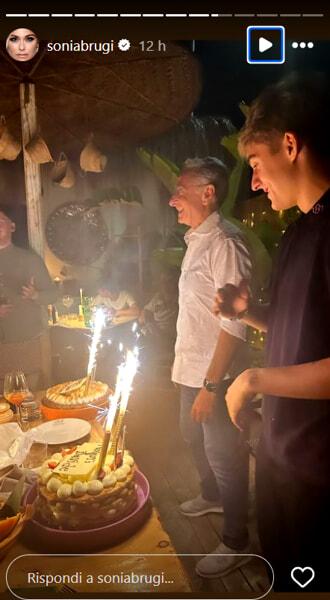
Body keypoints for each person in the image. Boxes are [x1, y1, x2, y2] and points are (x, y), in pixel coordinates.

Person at [214, 73, 330, 592]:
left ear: (291, 145)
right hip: (282, 456)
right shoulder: (300, 228)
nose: (255, 182)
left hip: (319, 471)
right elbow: (304, 327)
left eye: (257, 164)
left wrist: (255, 379)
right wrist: (250, 312)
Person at [169, 157, 252, 577]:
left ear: (208, 193)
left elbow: (234, 326)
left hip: (213, 373)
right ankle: (212, 496)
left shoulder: (225, 243)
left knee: (224, 454)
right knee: (190, 435)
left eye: (180, 191)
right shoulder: (197, 239)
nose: (172, 199)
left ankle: (236, 539)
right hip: (191, 367)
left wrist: (211, 386)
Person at [0, 204, 57, 391]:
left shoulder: (29, 260)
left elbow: (53, 295)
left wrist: (35, 295)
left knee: (31, 400)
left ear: (12, 226)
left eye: (1, 221)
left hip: (28, 342)